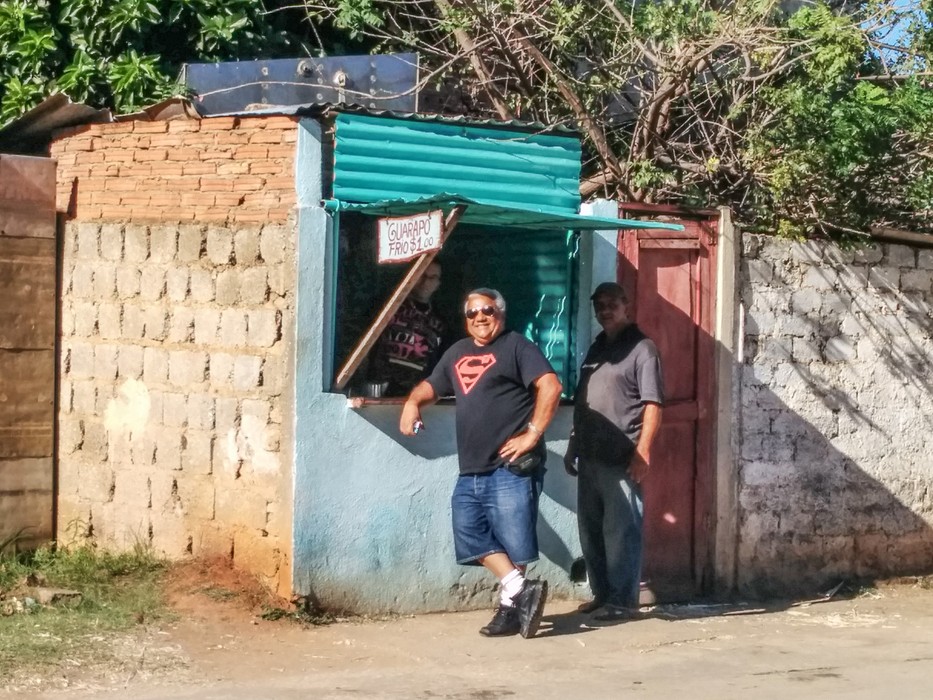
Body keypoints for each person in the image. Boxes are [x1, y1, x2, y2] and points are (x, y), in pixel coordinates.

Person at [400, 288, 563, 638]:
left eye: (486, 310)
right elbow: (432, 385)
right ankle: (520, 590)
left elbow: (551, 386)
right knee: (470, 533)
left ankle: (509, 610)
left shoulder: (517, 346)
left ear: (500, 313)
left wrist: (532, 433)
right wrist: (413, 403)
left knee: (511, 540)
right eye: (471, 312)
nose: (479, 317)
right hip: (471, 467)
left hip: (511, 464)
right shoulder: (457, 352)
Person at [564, 282, 664, 622]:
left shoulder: (642, 349)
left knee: (621, 532)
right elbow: (584, 402)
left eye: (611, 304)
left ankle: (622, 601)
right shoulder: (597, 347)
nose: (605, 310)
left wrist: (643, 452)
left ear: (626, 306)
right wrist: (572, 446)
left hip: (621, 458)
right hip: (589, 455)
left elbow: (653, 404)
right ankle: (603, 595)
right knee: (591, 531)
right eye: (599, 305)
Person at [368, 260, 445, 396]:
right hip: (381, 388)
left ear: (438, 284)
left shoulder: (441, 321)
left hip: (417, 393)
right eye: (421, 275)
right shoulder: (388, 307)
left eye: (432, 277)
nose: (425, 282)